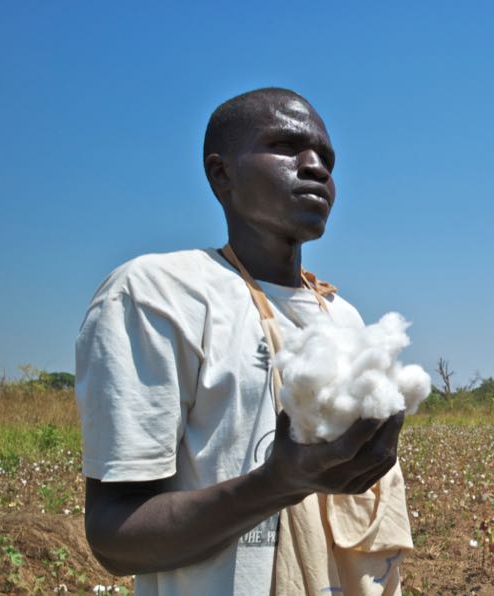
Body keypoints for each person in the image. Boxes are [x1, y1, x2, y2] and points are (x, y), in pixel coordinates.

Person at [75, 87, 406, 595]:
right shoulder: (160, 294)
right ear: (221, 173)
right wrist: (278, 485)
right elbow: (115, 537)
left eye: (326, 158)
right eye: (286, 146)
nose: (315, 165)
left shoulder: (344, 317)